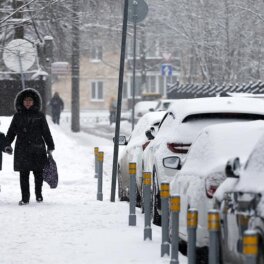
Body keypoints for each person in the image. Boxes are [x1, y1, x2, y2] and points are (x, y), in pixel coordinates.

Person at [5, 88, 55, 206]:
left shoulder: (40, 116)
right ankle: (25, 198)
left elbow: (46, 132)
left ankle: (38, 195)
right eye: (25, 100)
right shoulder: (17, 116)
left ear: (34, 102)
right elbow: (11, 132)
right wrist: (7, 144)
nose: (27, 102)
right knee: (24, 175)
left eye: (30, 100)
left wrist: (50, 145)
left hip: (37, 149)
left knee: (38, 174)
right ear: (22, 102)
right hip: (22, 150)